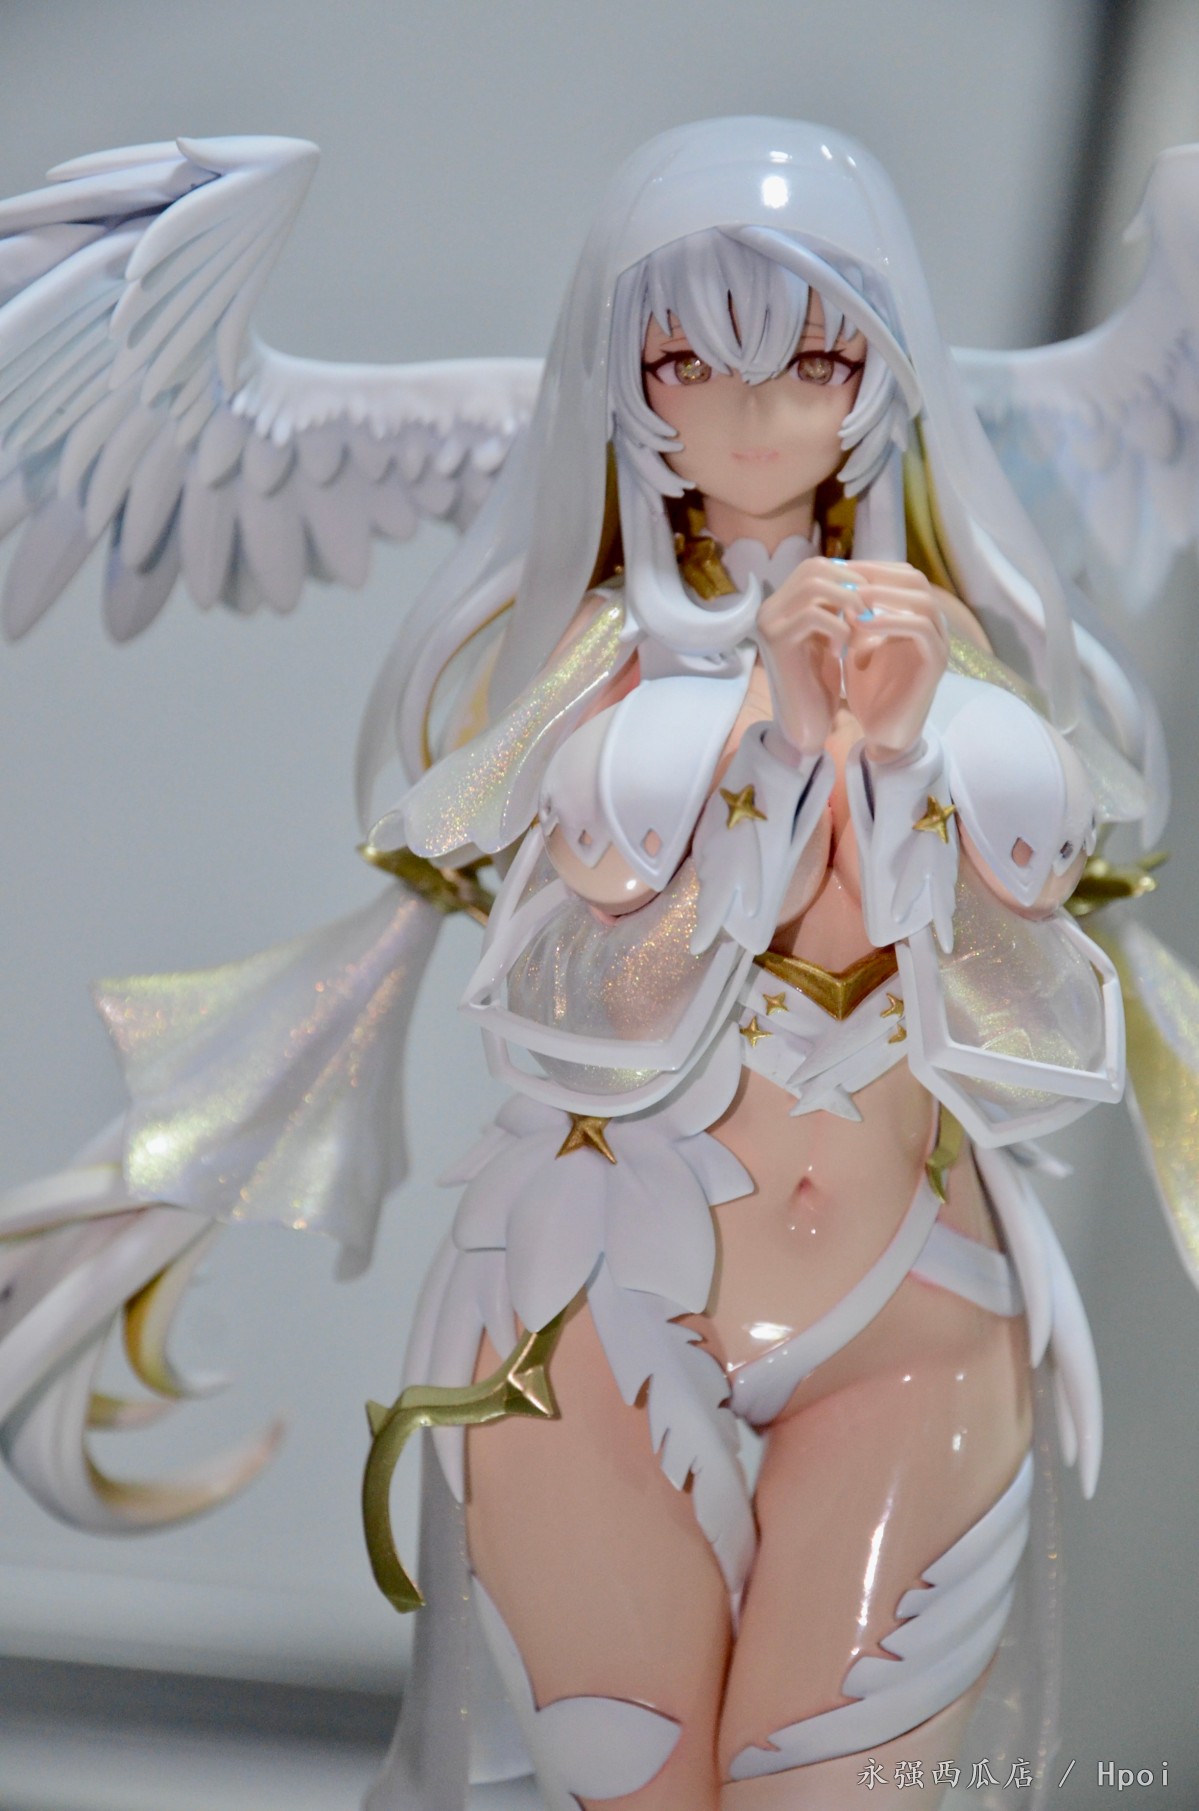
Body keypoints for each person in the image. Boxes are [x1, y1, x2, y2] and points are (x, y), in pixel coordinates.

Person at [361, 119, 1125, 1810]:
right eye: (691, 362)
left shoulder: (951, 642)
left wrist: (911, 740)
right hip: (589, 1287)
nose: (755, 413)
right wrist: (769, 735)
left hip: (912, 1307)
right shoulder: (595, 658)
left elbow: (1045, 882)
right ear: (626, 380)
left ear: (882, 373)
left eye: (813, 362)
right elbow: (600, 878)